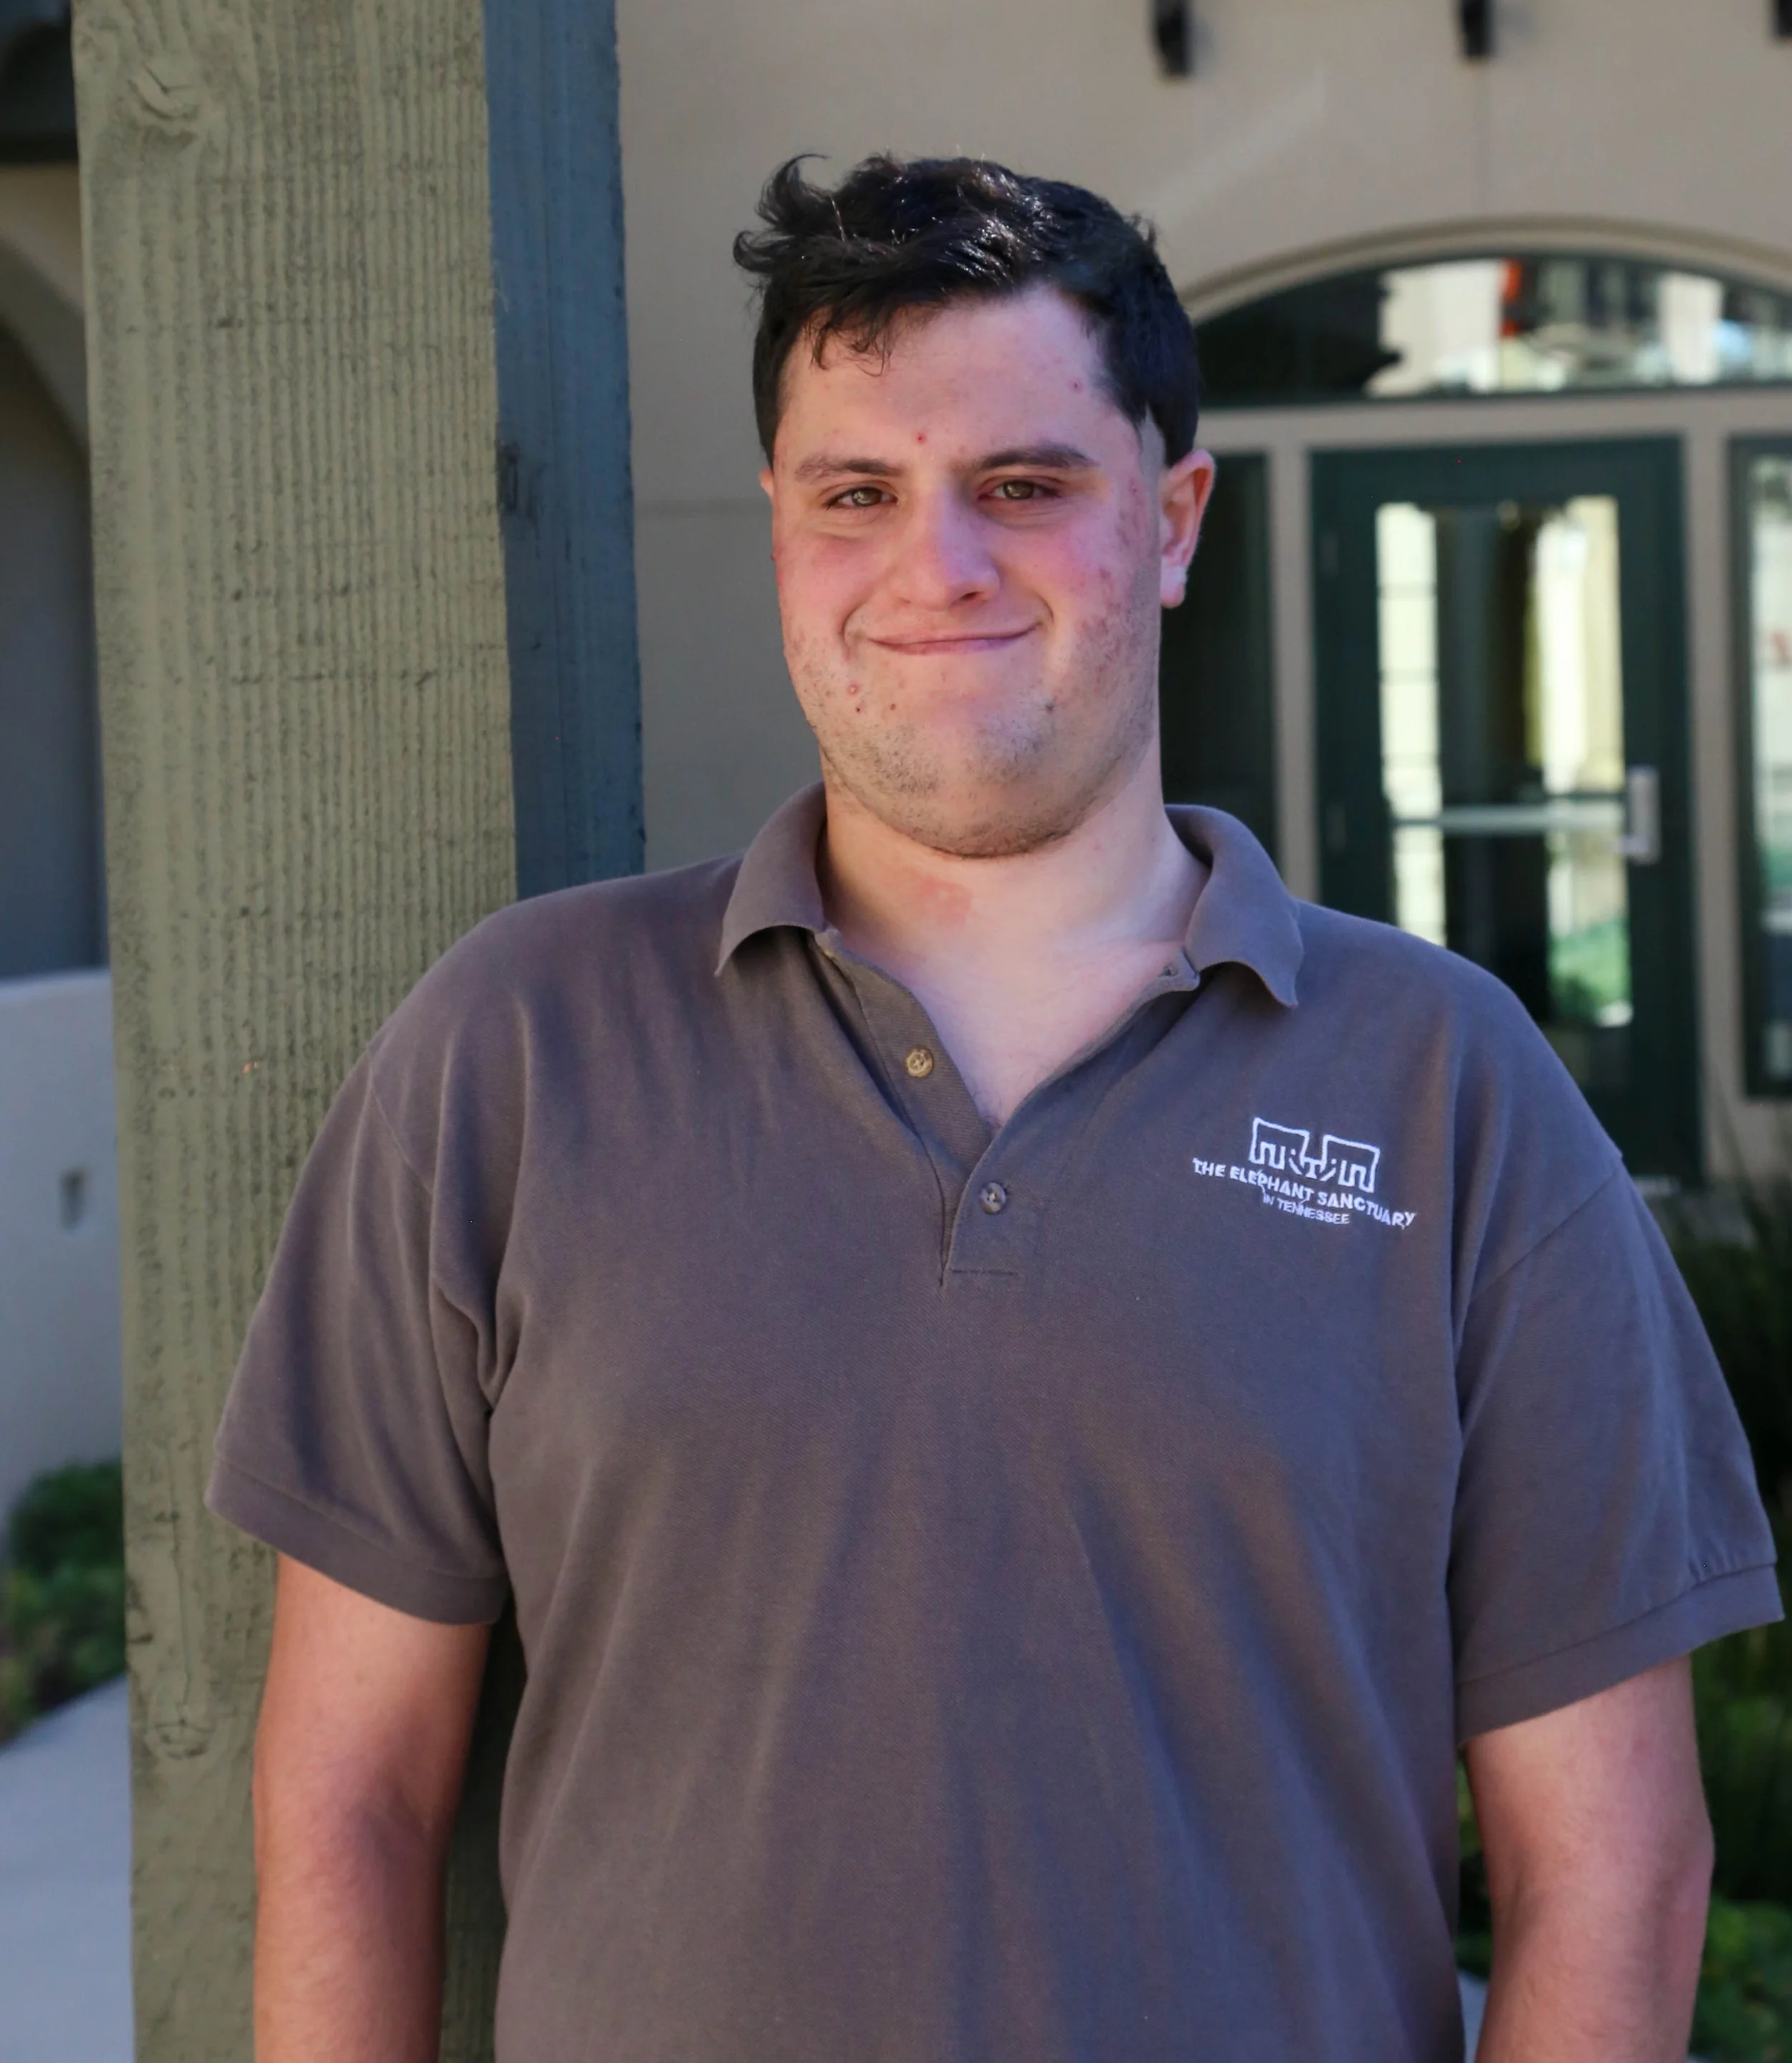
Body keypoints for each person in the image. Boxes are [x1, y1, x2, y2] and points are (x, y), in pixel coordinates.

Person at [213, 154, 1778, 2063]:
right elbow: (347, 1808)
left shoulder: (1451, 1091)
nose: (932, 566)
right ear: (781, 525)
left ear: (1173, 514)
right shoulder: (515, 1052)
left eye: (1023, 487)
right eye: (853, 493)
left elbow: (1609, 1872)